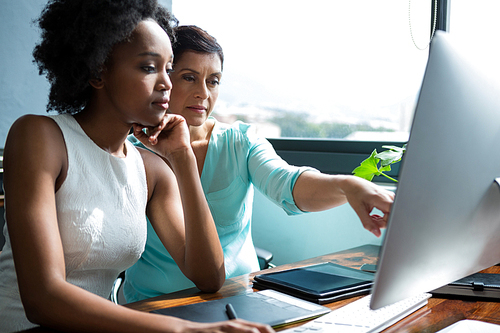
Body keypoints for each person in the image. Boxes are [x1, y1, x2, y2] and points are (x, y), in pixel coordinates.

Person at [0, 2, 274, 333]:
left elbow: (210, 277)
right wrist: (182, 330)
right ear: (99, 71)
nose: (167, 84)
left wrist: (183, 158)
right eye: (148, 68)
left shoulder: (151, 169)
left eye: (169, 69)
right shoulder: (40, 137)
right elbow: (43, 298)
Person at [124, 25, 395, 303]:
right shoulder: (132, 153)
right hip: (154, 304)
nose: (203, 93)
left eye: (213, 81)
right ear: (164, 79)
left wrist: (349, 186)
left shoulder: (239, 141)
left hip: (239, 299)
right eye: (189, 78)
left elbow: (289, 184)